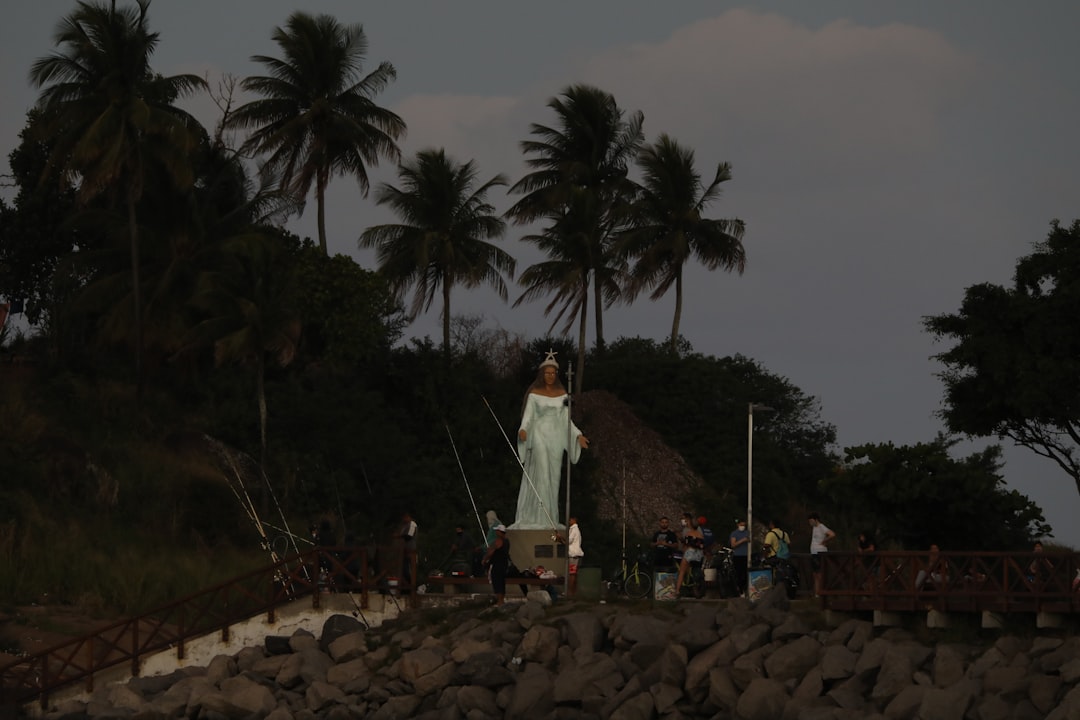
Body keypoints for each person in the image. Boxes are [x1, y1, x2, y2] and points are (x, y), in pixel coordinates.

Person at [511, 351, 589, 530]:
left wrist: (577, 435)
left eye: (553, 373)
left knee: (554, 479)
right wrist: (523, 430)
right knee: (543, 473)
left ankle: (550, 519)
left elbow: (565, 420)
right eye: (547, 373)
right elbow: (528, 417)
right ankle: (539, 518)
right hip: (538, 434)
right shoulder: (534, 394)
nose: (550, 376)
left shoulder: (562, 394)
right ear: (542, 374)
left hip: (556, 438)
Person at [675, 513, 705, 595]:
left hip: (690, 552)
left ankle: (677, 590)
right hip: (699, 554)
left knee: (682, 571)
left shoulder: (688, 533)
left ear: (688, 520)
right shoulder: (699, 533)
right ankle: (694, 585)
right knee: (692, 569)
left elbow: (686, 545)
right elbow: (701, 544)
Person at [481, 524, 511, 606]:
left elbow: (491, 552)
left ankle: (499, 601)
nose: (495, 532)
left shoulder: (498, 541)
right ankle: (501, 600)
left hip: (497, 565)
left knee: (497, 582)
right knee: (501, 582)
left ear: (499, 532)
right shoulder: (507, 541)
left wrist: (484, 559)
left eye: (497, 530)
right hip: (504, 564)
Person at [807, 512, 835, 597]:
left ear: (816, 520)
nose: (810, 523)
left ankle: (822, 591)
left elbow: (832, 534)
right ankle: (817, 592)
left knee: (819, 573)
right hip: (814, 552)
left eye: (811, 521)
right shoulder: (814, 528)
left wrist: (824, 541)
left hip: (820, 552)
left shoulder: (821, 527)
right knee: (815, 573)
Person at [729, 519, 750, 595]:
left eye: (744, 525)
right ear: (738, 525)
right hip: (738, 556)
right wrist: (742, 540)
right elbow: (733, 544)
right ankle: (739, 589)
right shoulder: (734, 533)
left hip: (746, 556)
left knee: (745, 573)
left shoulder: (747, 533)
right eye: (741, 525)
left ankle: (745, 589)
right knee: (739, 573)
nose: (743, 527)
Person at [566, 516, 583, 596]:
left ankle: (570, 592)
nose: (569, 521)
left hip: (574, 555)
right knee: (574, 574)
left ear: (574, 520)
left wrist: (561, 538)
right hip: (576, 554)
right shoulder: (576, 529)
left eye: (570, 520)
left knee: (572, 574)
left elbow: (569, 540)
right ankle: (574, 593)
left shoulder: (574, 529)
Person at [400, 512, 418, 591]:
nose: (404, 519)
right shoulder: (404, 526)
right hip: (405, 550)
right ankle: (406, 588)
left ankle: (412, 587)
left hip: (411, 550)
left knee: (409, 569)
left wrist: (398, 536)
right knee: (404, 569)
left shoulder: (412, 524)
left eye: (405, 517)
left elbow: (409, 536)